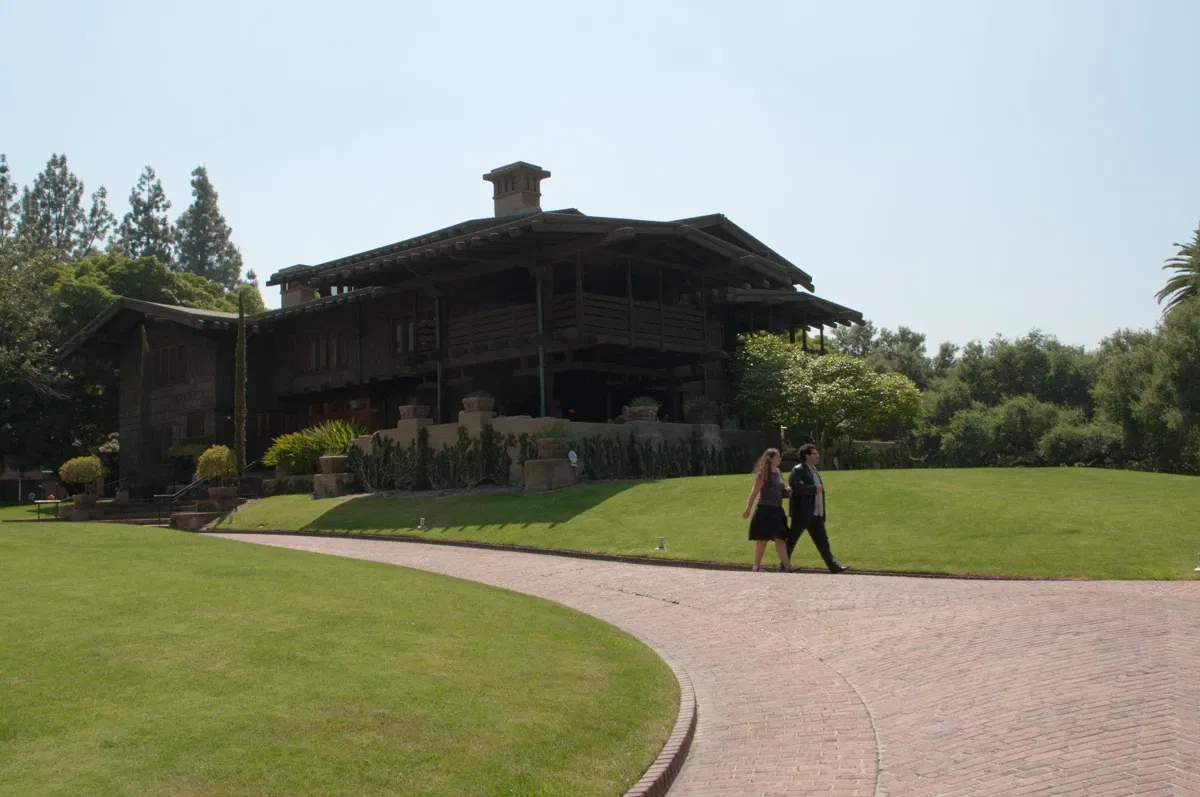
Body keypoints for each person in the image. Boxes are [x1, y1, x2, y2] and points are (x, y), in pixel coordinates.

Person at [787, 444, 850, 573]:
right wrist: (814, 489)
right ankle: (784, 564)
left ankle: (834, 567)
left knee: (823, 541)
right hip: (802, 513)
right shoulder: (799, 470)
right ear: (807, 456)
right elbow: (796, 488)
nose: (818, 456)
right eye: (815, 454)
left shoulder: (814, 470)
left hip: (816, 513)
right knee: (792, 540)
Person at [742, 448, 795, 572]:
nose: (780, 459)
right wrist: (748, 509)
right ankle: (756, 566)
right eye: (777, 457)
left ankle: (787, 565)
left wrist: (788, 489)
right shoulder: (763, 474)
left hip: (777, 510)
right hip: (764, 510)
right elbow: (754, 492)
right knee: (762, 540)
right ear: (770, 459)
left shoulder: (778, 472)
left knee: (780, 538)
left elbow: (782, 487)